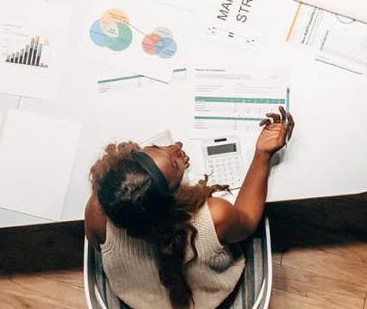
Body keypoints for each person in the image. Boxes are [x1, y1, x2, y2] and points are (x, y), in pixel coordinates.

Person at [84, 107, 294, 308]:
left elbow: (97, 247)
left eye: (158, 147)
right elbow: (247, 222)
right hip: (208, 298)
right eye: (175, 165)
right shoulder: (214, 217)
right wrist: (263, 154)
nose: (177, 145)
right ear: (175, 200)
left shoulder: (96, 211)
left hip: (140, 300)